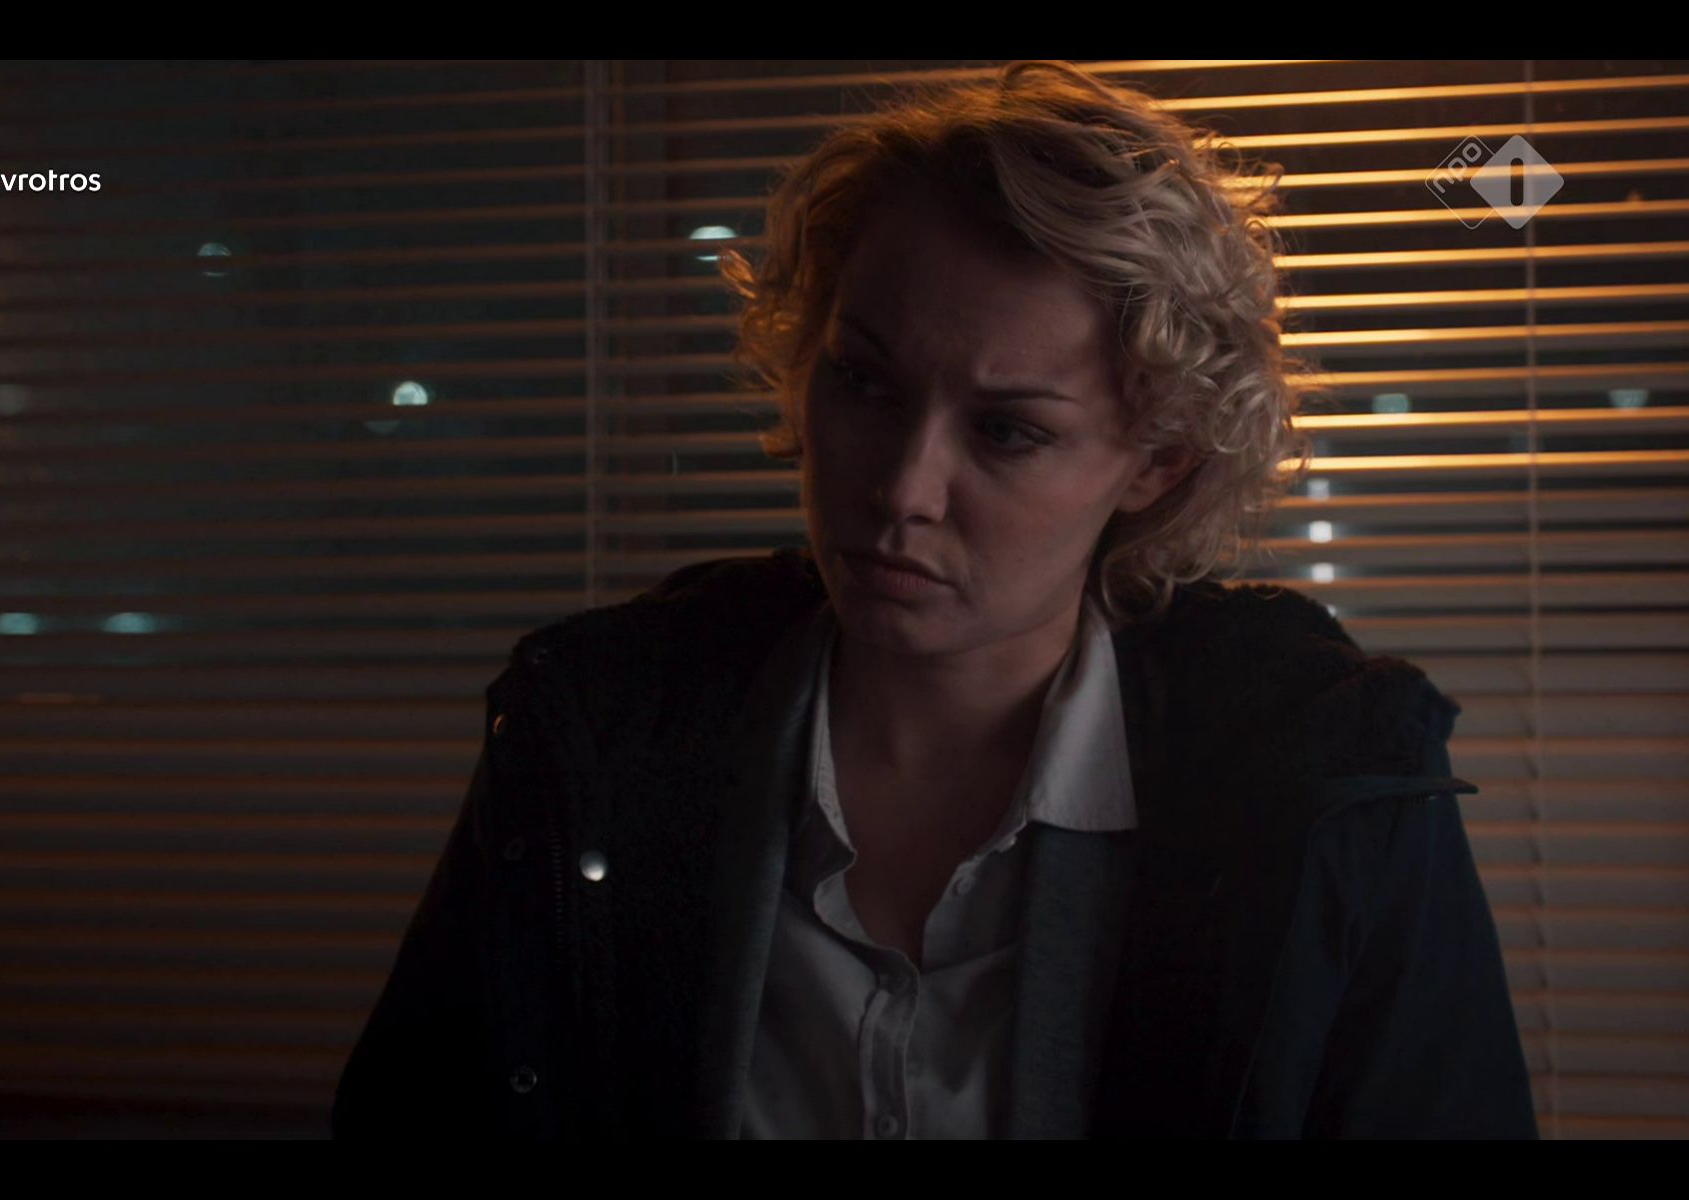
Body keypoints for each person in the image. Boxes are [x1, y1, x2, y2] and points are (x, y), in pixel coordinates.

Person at [333, 60, 1538, 1140]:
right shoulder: (596, 737)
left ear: (1157, 462)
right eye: (862, 382)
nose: (900, 490)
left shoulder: (1323, 784)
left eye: (1008, 431)